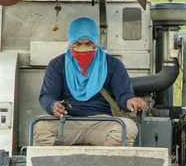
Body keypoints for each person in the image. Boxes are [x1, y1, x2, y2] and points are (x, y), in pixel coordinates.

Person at [33, 17, 147, 147]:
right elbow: (47, 96)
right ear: (71, 43)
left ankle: (104, 165)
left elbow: (123, 95)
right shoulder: (57, 65)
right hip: (67, 122)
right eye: (78, 44)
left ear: (95, 42)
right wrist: (53, 105)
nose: (83, 49)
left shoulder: (114, 65)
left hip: (102, 122)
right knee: (40, 126)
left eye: (88, 44)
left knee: (128, 128)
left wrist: (130, 101)